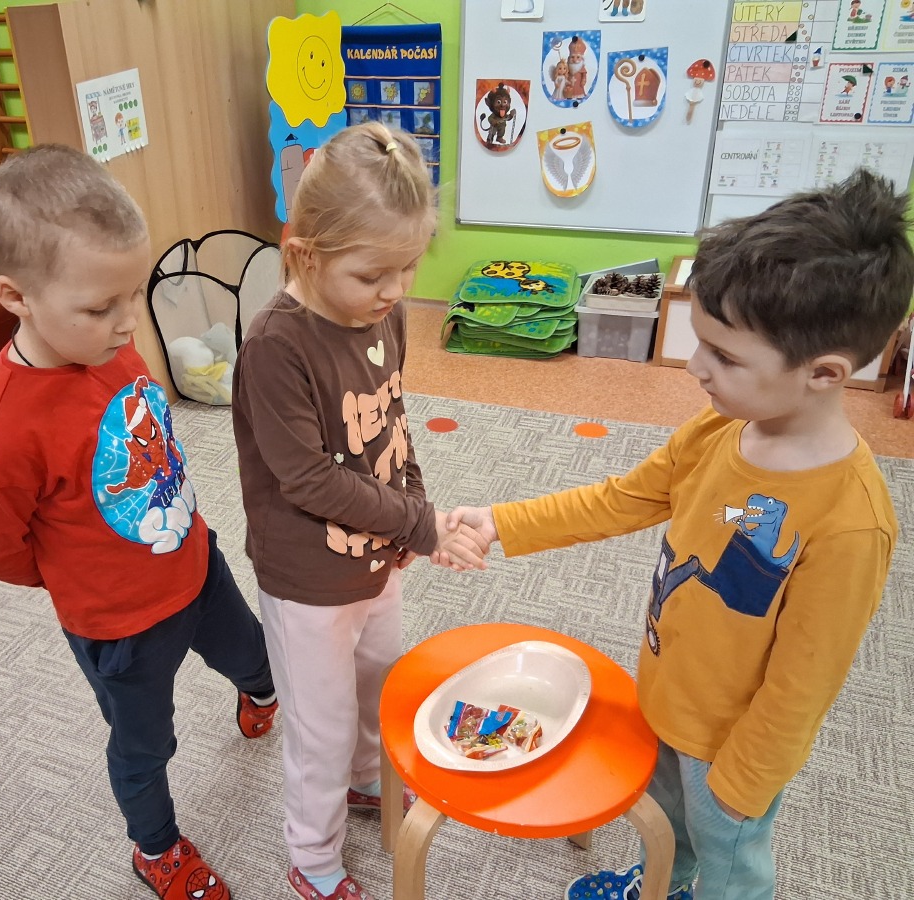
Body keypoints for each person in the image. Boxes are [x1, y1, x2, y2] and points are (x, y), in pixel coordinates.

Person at [438, 168, 914, 900]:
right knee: (666, 829)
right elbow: (624, 499)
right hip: (662, 695)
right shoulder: (720, 429)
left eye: (725, 356)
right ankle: (666, 881)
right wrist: (504, 522)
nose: (695, 367)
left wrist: (741, 784)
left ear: (824, 373)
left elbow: (803, 685)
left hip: (730, 753)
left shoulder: (851, 522)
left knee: (728, 869)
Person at [0, 144, 277, 900]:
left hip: (194, 562)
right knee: (145, 743)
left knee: (253, 654)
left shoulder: (111, 345)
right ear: (15, 296)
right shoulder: (4, 429)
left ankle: (259, 693)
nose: (127, 321)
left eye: (131, 295)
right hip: (118, 625)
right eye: (100, 307)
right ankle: (154, 848)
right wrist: (81, 576)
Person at [232, 122, 488, 900]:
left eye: (409, 268)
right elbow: (308, 478)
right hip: (307, 579)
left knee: (379, 685)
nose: (396, 290)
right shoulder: (275, 346)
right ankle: (311, 858)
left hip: (378, 554)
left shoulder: (384, 313)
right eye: (374, 273)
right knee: (322, 726)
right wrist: (418, 524)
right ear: (305, 255)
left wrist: (414, 504)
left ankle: (365, 780)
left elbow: (392, 419)